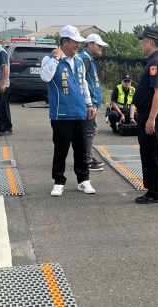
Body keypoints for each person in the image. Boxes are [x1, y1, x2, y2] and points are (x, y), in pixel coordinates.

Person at [39, 25, 97, 196]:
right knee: (61, 149)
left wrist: (89, 104)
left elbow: (83, 84)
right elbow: (45, 77)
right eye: (74, 42)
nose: (77, 45)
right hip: (61, 113)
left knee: (81, 149)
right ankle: (58, 181)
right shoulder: (50, 59)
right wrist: (56, 59)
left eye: (79, 42)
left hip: (80, 112)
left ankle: (83, 180)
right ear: (65, 42)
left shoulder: (79, 61)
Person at [134, 26, 158, 203]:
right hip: (148, 113)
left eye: (143, 42)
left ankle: (155, 192)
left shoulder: (156, 62)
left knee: (151, 152)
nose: (142, 45)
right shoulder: (156, 60)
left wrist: (151, 118)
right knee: (149, 151)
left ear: (150, 42)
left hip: (152, 114)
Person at [81, 33, 108, 171]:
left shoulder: (88, 59)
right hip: (89, 104)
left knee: (89, 131)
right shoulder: (84, 59)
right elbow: (82, 82)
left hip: (91, 103)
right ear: (90, 44)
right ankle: (86, 160)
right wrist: (89, 103)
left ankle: (86, 157)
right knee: (89, 131)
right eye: (99, 46)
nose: (101, 48)